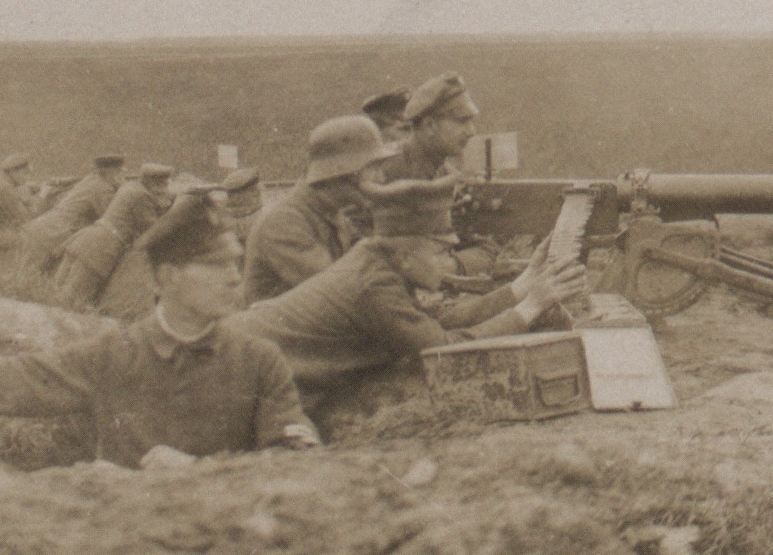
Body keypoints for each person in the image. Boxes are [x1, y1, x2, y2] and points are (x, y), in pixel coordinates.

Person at [0, 193, 321, 468]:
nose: (233, 278)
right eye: (215, 265)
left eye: (237, 265)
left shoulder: (259, 360)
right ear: (164, 278)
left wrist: (200, 473)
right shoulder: (115, 354)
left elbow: (297, 464)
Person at [230, 177, 586, 414]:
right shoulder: (373, 286)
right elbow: (444, 351)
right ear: (405, 251)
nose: (449, 260)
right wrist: (532, 306)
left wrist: (522, 286)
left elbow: (432, 325)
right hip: (234, 378)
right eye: (440, 251)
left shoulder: (376, 264)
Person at [242, 116, 398, 305]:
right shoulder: (285, 221)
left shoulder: (331, 213)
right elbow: (342, 292)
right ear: (345, 171)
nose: (381, 178)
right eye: (373, 168)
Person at [55, 163, 175, 309]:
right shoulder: (141, 196)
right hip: (100, 248)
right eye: (163, 185)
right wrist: (172, 207)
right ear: (155, 184)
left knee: (56, 291)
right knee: (73, 301)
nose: (165, 189)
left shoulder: (129, 187)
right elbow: (153, 230)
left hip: (87, 239)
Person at [16, 155, 126, 277]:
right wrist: (122, 191)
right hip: (50, 236)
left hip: (41, 229)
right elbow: (109, 218)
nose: (121, 176)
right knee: (27, 282)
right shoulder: (104, 189)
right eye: (119, 172)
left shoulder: (90, 180)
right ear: (109, 172)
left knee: (29, 281)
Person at [376, 72, 479, 184]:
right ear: (429, 125)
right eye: (462, 120)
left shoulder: (445, 173)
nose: (472, 131)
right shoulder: (384, 171)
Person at [218, 167, 265, 244]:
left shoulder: (223, 220)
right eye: (230, 194)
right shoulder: (265, 217)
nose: (230, 198)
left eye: (232, 194)